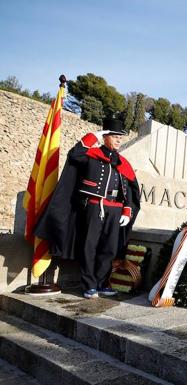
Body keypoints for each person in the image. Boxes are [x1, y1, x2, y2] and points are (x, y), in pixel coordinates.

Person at [34, 119, 140, 299]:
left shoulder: (123, 162)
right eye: (114, 136)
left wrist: (127, 211)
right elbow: (74, 154)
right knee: (89, 247)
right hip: (94, 207)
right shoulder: (91, 155)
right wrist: (91, 137)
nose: (118, 140)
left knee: (109, 249)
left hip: (115, 210)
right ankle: (89, 285)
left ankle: (101, 283)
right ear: (105, 137)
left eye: (119, 138)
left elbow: (130, 189)